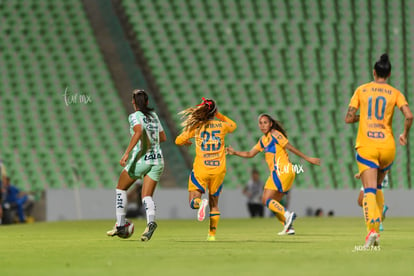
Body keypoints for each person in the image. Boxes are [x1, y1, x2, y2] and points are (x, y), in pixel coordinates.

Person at [345, 53, 413, 248]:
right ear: (389, 74)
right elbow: (409, 115)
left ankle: (372, 232)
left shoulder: (362, 90)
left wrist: (364, 117)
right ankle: (378, 229)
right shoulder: (395, 93)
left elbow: (348, 118)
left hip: (367, 145)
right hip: (388, 146)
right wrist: (405, 134)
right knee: (377, 187)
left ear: (373, 72)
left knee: (368, 192)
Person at [227, 114, 321, 235]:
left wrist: (308, 159)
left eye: (265, 122)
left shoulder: (275, 134)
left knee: (266, 200)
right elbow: (250, 154)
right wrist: (235, 152)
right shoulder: (263, 140)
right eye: (260, 123)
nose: (262, 125)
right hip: (284, 173)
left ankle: (288, 215)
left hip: (281, 171)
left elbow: (290, 148)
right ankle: (288, 228)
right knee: (272, 203)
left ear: (271, 124)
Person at [106, 89, 166, 242]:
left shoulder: (134, 116)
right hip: (158, 160)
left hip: (141, 159)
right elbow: (163, 137)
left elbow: (138, 132)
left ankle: (120, 225)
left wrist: (127, 153)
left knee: (121, 188)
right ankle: (150, 222)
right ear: (147, 102)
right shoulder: (154, 116)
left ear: (134, 103)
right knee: (146, 196)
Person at [175, 97, 236, 241]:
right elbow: (233, 126)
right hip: (218, 170)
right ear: (215, 112)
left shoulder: (197, 127)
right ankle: (212, 235)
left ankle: (200, 203)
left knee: (193, 201)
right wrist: (219, 115)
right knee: (214, 204)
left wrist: (187, 141)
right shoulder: (222, 126)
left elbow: (178, 140)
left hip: (202, 169)